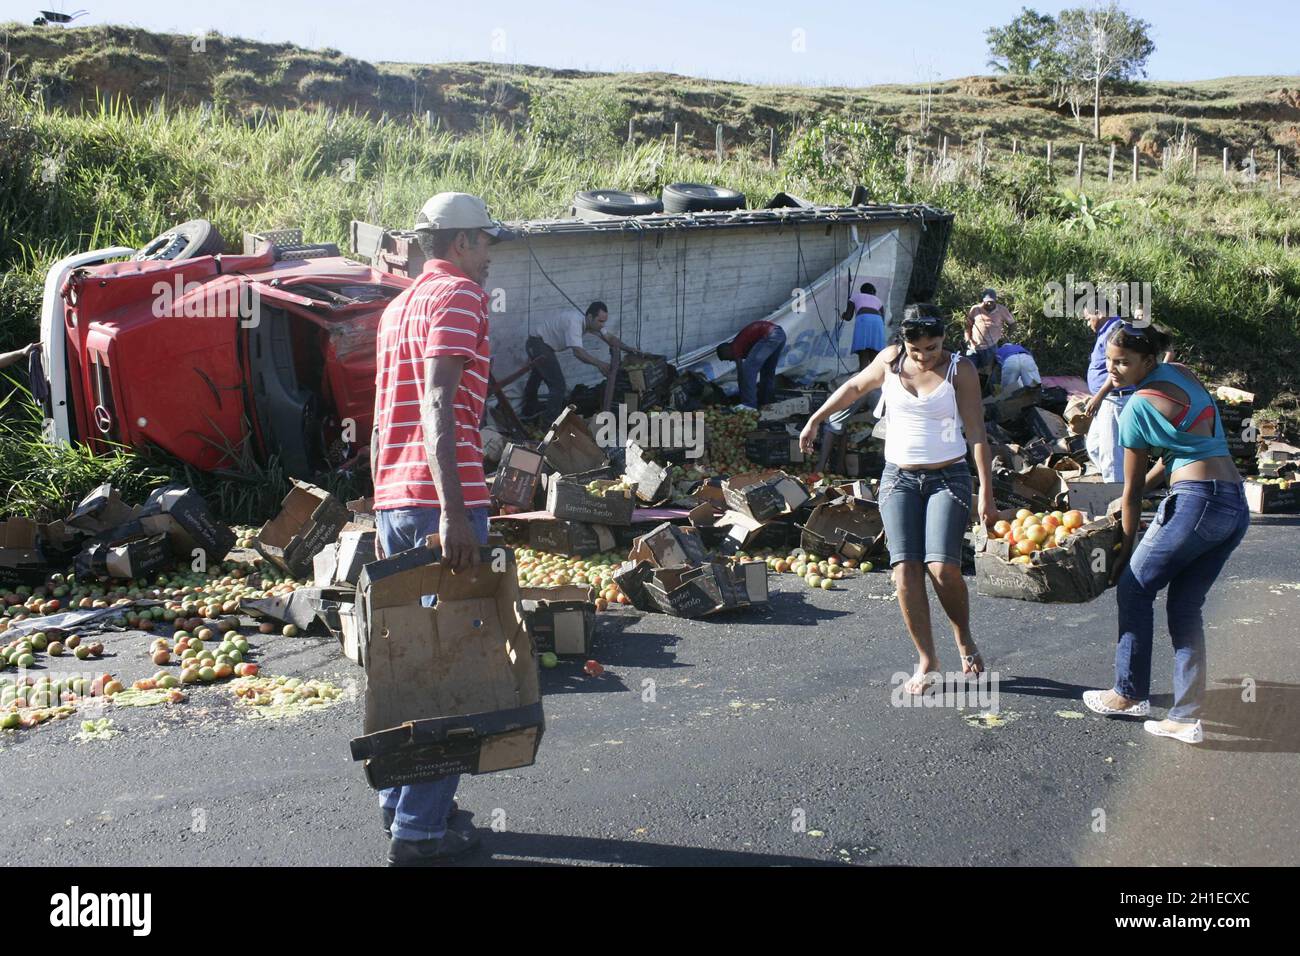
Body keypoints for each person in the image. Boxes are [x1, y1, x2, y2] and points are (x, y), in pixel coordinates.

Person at [370, 192, 510, 865]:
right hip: (438, 505)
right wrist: (455, 512)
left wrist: (378, 512)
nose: (490, 255)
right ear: (459, 244)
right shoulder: (459, 297)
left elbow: (379, 421)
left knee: (411, 665)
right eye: (486, 241)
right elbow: (437, 401)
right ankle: (421, 833)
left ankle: (406, 807)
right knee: (456, 668)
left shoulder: (397, 308)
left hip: (397, 503)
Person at [800, 304, 997, 693]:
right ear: (904, 342)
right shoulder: (890, 361)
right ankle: (927, 660)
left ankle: (964, 638)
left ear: (944, 339)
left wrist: (986, 493)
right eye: (918, 349)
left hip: (948, 476)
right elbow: (855, 387)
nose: (926, 356)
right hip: (898, 479)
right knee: (904, 569)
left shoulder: (961, 370)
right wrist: (816, 418)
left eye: (934, 347)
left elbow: (976, 433)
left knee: (942, 568)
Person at [1082, 324, 1248, 745]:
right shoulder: (1185, 375)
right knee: (1186, 606)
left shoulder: (1136, 408)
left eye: (1123, 362)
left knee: (1135, 589)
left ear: (1148, 362)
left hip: (1196, 502)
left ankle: (1128, 693)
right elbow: (1184, 448)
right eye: (1108, 361)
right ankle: (1185, 717)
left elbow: (1133, 491)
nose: (1113, 370)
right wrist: (1136, 497)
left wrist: (1124, 553)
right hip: (1232, 502)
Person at [523, 301, 653, 422]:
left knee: (538, 375)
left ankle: (528, 410)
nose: (602, 325)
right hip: (538, 344)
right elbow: (578, 353)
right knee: (558, 385)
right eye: (600, 321)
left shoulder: (592, 323)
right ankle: (549, 424)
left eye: (604, 322)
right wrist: (600, 364)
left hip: (542, 345)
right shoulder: (574, 322)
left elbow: (610, 338)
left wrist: (628, 348)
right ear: (590, 317)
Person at [1081, 308, 1132, 481]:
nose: (1088, 324)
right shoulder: (1107, 332)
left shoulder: (1116, 331)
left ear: (1100, 312)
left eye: (1089, 319)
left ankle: (1117, 497)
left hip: (1115, 398)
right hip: (1107, 399)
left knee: (1111, 456)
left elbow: (1117, 369)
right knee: (1094, 446)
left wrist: (1099, 395)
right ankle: (1122, 486)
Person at [717, 320, 787, 410]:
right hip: (780, 334)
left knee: (748, 369)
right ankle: (767, 401)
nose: (730, 360)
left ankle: (749, 405)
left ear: (726, 350)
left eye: (726, 358)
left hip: (770, 335)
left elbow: (741, 373)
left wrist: (743, 395)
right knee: (767, 371)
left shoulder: (735, 346)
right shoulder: (743, 345)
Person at [964, 288, 1015, 375]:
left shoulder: (1002, 310)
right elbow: (968, 326)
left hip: (991, 348)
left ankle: (989, 388)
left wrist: (1007, 337)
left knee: (989, 374)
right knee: (969, 371)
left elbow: (1012, 324)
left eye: (992, 301)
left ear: (995, 300)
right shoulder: (975, 309)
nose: (989, 303)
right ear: (983, 300)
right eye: (987, 301)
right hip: (973, 347)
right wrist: (968, 339)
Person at [845, 281, 887, 370]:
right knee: (874, 354)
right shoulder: (878, 300)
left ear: (861, 291)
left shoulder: (854, 297)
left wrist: (842, 314)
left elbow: (848, 317)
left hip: (863, 320)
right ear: (873, 292)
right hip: (878, 322)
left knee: (863, 352)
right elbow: (882, 320)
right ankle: (876, 380)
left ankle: (863, 377)